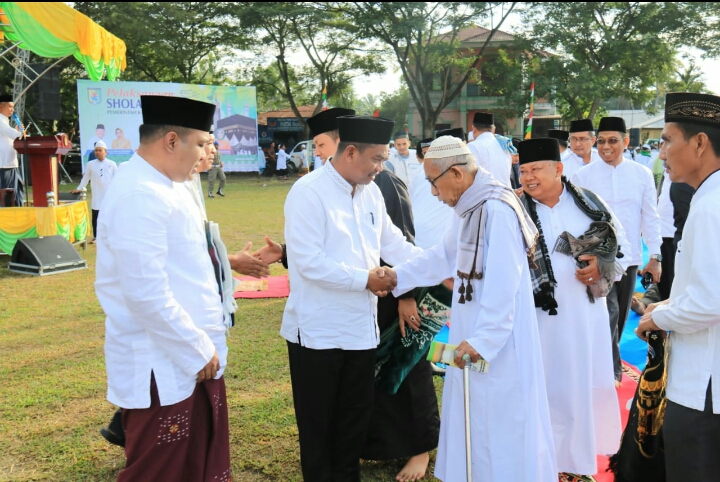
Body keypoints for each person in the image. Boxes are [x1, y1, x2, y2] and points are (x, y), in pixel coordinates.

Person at [387, 135, 557, 481]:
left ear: (457, 174)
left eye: (434, 183)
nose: (434, 193)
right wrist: (395, 277)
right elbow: (444, 257)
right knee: (475, 414)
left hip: (498, 340)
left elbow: (503, 285)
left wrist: (483, 342)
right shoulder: (470, 206)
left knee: (502, 418)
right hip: (472, 330)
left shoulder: (495, 207)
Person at [95, 95, 232, 481]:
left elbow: (186, 265)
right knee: (161, 471)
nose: (206, 154)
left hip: (189, 354)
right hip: (163, 359)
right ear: (172, 141)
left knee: (195, 463)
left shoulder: (168, 185)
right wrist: (196, 348)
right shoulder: (141, 193)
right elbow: (145, 293)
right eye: (202, 144)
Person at [281, 114, 422, 481]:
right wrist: (366, 279)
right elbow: (309, 262)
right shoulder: (308, 192)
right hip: (318, 332)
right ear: (351, 152)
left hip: (361, 329)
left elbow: (395, 245)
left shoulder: (371, 191)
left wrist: (437, 270)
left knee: (352, 423)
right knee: (319, 428)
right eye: (377, 158)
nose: (382, 166)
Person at [517, 138, 624, 480]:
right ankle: (542, 464)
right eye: (523, 171)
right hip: (536, 320)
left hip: (583, 318)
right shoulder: (513, 209)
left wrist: (599, 267)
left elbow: (620, 253)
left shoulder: (590, 205)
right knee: (541, 389)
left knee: (578, 389)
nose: (528, 178)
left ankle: (574, 466)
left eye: (535, 170)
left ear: (559, 169)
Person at [635, 92, 720, 482]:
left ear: (699, 143)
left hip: (703, 386)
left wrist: (659, 315)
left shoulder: (710, 206)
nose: (662, 151)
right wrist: (669, 302)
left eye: (668, 139)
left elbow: (710, 301)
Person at [572, 116, 662, 386]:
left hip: (632, 257)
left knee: (620, 316)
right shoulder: (582, 176)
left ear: (626, 141)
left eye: (613, 141)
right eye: (601, 141)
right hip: (599, 259)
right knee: (607, 312)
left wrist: (655, 257)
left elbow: (650, 216)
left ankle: (607, 366)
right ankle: (610, 373)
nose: (606, 146)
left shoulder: (641, 173)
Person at [71, 140, 117, 242]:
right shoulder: (91, 164)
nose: (97, 152)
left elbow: (116, 179)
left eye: (100, 150)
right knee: (96, 216)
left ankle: (110, 236)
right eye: (96, 150)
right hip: (96, 194)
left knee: (109, 216)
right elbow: (86, 178)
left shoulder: (112, 164)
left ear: (105, 152)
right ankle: (96, 237)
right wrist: (79, 188)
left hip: (108, 195)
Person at [466, 112, 512, 186]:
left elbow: (470, 177)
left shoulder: (472, 146)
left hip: (485, 196)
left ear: (473, 128)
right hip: (506, 195)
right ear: (493, 129)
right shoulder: (504, 146)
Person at [0, 94, 23, 207]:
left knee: (16, 193)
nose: (12, 110)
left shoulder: (5, 121)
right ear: (1, 107)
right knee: (8, 196)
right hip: (4, 164)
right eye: (9, 107)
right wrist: (20, 133)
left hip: (11, 163)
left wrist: (18, 131)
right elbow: (15, 135)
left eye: (13, 107)